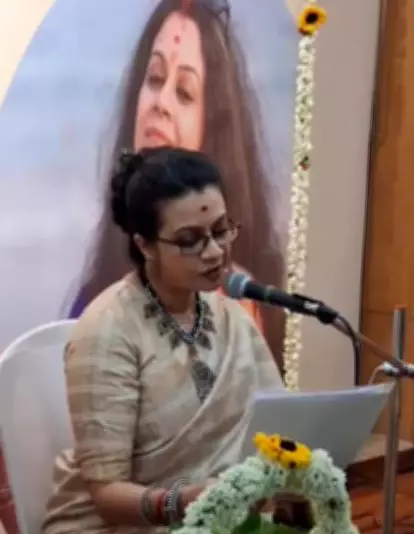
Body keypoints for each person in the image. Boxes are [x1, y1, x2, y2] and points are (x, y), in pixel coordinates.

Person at [42, 147, 283, 534]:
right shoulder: (108, 332)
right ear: (145, 244)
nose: (214, 252)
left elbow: (280, 424)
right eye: (190, 240)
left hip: (216, 517)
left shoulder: (232, 317)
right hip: (112, 532)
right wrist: (186, 502)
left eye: (221, 230)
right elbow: (106, 494)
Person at [70, 0, 285, 362]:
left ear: (212, 127)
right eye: (154, 79)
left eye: (184, 92)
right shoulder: (97, 300)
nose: (161, 103)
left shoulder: (238, 304)